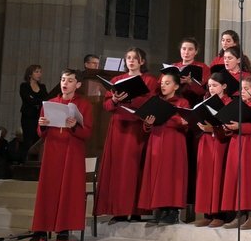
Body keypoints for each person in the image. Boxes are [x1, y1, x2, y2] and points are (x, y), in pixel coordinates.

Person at [22, 70, 93, 241]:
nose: (65, 83)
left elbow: (87, 132)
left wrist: (74, 125)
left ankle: (63, 231)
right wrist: (42, 125)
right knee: (48, 189)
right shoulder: (50, 103)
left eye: (70, 80)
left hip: (72, 152)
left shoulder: (83, 104)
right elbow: (41, 133)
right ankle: (41, 233)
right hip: (53, 150)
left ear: (77, 85)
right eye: (63, 80)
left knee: (68, 190)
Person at [96, 48, 159, 222]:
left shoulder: (150, 80)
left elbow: (151, 101)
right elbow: (107, 106)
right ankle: (120, 210)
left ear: (142, 61)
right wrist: (115, 100)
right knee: (119, 169)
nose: (131, 61)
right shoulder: (117, 80)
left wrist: (131, 99)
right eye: (128, 58)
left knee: (135, 168)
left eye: (135, 58)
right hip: (118, 128)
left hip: (137, 127)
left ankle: (137, 211)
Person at [137, 68, 190, 226]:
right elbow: (146, 127)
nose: (163, 86)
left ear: (175, 86)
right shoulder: (155, 102)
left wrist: (173, 118)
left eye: (167, 83)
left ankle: (172, 210)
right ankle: (159, 209)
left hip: (174, 142)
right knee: (156, 175)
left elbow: (185, 124)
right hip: (156, 140)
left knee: (171, 175)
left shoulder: (182, 102)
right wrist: (148, 123)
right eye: (162, 83)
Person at [220, 76, 251, 229]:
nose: (242, 92)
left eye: (246, 88)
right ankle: (239, 215)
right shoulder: (238, 105)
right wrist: (228, 126)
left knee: (249, 179)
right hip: (236, 143)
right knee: (236, 178)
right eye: (241, 89)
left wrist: (241, 126)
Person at [193, 74, 232, 228]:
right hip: (206, 141)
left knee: (218, 176)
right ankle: (207, 214)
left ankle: (220, 215)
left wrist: (213, 129)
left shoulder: (229, 103)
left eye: (215, 85)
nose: (211, 88)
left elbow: (228, 126)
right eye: (209, 86)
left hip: (220, 142)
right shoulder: (206, 102)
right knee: (205, 177)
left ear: (224, 86)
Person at [19, 65, 48, 159]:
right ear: (30, 74)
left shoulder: (42, 87)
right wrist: (39, 102)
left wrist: (36, 101)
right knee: (28, 139)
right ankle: (24, 162)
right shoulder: (24, 86)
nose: (39, 74)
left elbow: (46, 100)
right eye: (36, 72)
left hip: (39, 117)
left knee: (38, 140)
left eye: (40, 71)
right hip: (28, 117)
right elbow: (28, 100)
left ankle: (35, 162)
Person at [173, 38, 212, 106]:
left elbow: (206, 90)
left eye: (190, 49)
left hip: (195, 102)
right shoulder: (173, 66)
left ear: (196, 51)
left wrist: (190, 82)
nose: (186, 52)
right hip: (174, 101)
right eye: (184, 49)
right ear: (180, 50)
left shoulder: (203, 67)